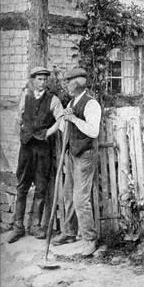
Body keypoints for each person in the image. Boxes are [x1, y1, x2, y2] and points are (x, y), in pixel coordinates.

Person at [7, 67, 63, 243]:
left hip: (42, 150)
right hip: (26, 148)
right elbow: (18, 117)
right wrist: (21, 134)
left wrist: (48, 133)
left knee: (40, 187)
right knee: (22, 187)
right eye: (39, 79)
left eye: (45, 79)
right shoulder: (26, 96)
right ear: (33, 81)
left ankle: (35, 226)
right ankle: (18, 227)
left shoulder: (53, 99)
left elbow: (61, 118)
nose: (42, 82)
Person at [52, 67, 102, 257]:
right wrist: (65, 120)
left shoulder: (91, 104)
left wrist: (73, 118)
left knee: (81, 199)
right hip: (72, 154)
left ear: (76, 84)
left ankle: (90, 239)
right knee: (67, 195)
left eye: (68, 82)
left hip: (86, 155)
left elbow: (93, 131)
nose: (66, 85)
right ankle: (69, 232)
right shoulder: (72, 102)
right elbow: (67, 130)